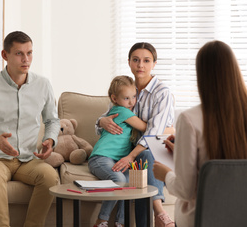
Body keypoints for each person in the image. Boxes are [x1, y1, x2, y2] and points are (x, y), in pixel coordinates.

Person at [0, 31, 60, 227]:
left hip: (28, 159)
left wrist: (50, 141)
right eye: (19, 54)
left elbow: (52, 120)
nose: (26, 59)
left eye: (29, 53)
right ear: (4, 55)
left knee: (50, 177)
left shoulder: (43, 85)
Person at [153, 40, 247, 227]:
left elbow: (185, 190)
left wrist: (166, 175)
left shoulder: (190, 119)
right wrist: (181, 150)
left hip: (200, 218)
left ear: (202, 76)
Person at [96, 42, 175, 227]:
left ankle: (159, 212)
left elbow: (155, 133)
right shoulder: (124, 89)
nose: (141, 65)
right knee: (139, 160)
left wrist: (130, 155)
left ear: (154, 63)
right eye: (136, 60)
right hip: (130, 147)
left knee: (146, 155)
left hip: (157, 148)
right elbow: (110, 117)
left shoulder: (162, 92)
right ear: (129, 62)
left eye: (146, 61)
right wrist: (101, 121)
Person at [89, 75, 147, 227]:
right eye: (126, 98)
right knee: (120, 180)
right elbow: (145, 127)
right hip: (100, 158)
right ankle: (101, 220)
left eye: (134, 96)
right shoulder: (122, 111)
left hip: (116, 160)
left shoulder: (125, 109)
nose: (132, 102)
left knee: (128, 182)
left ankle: (119, 222)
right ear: (114, 98)